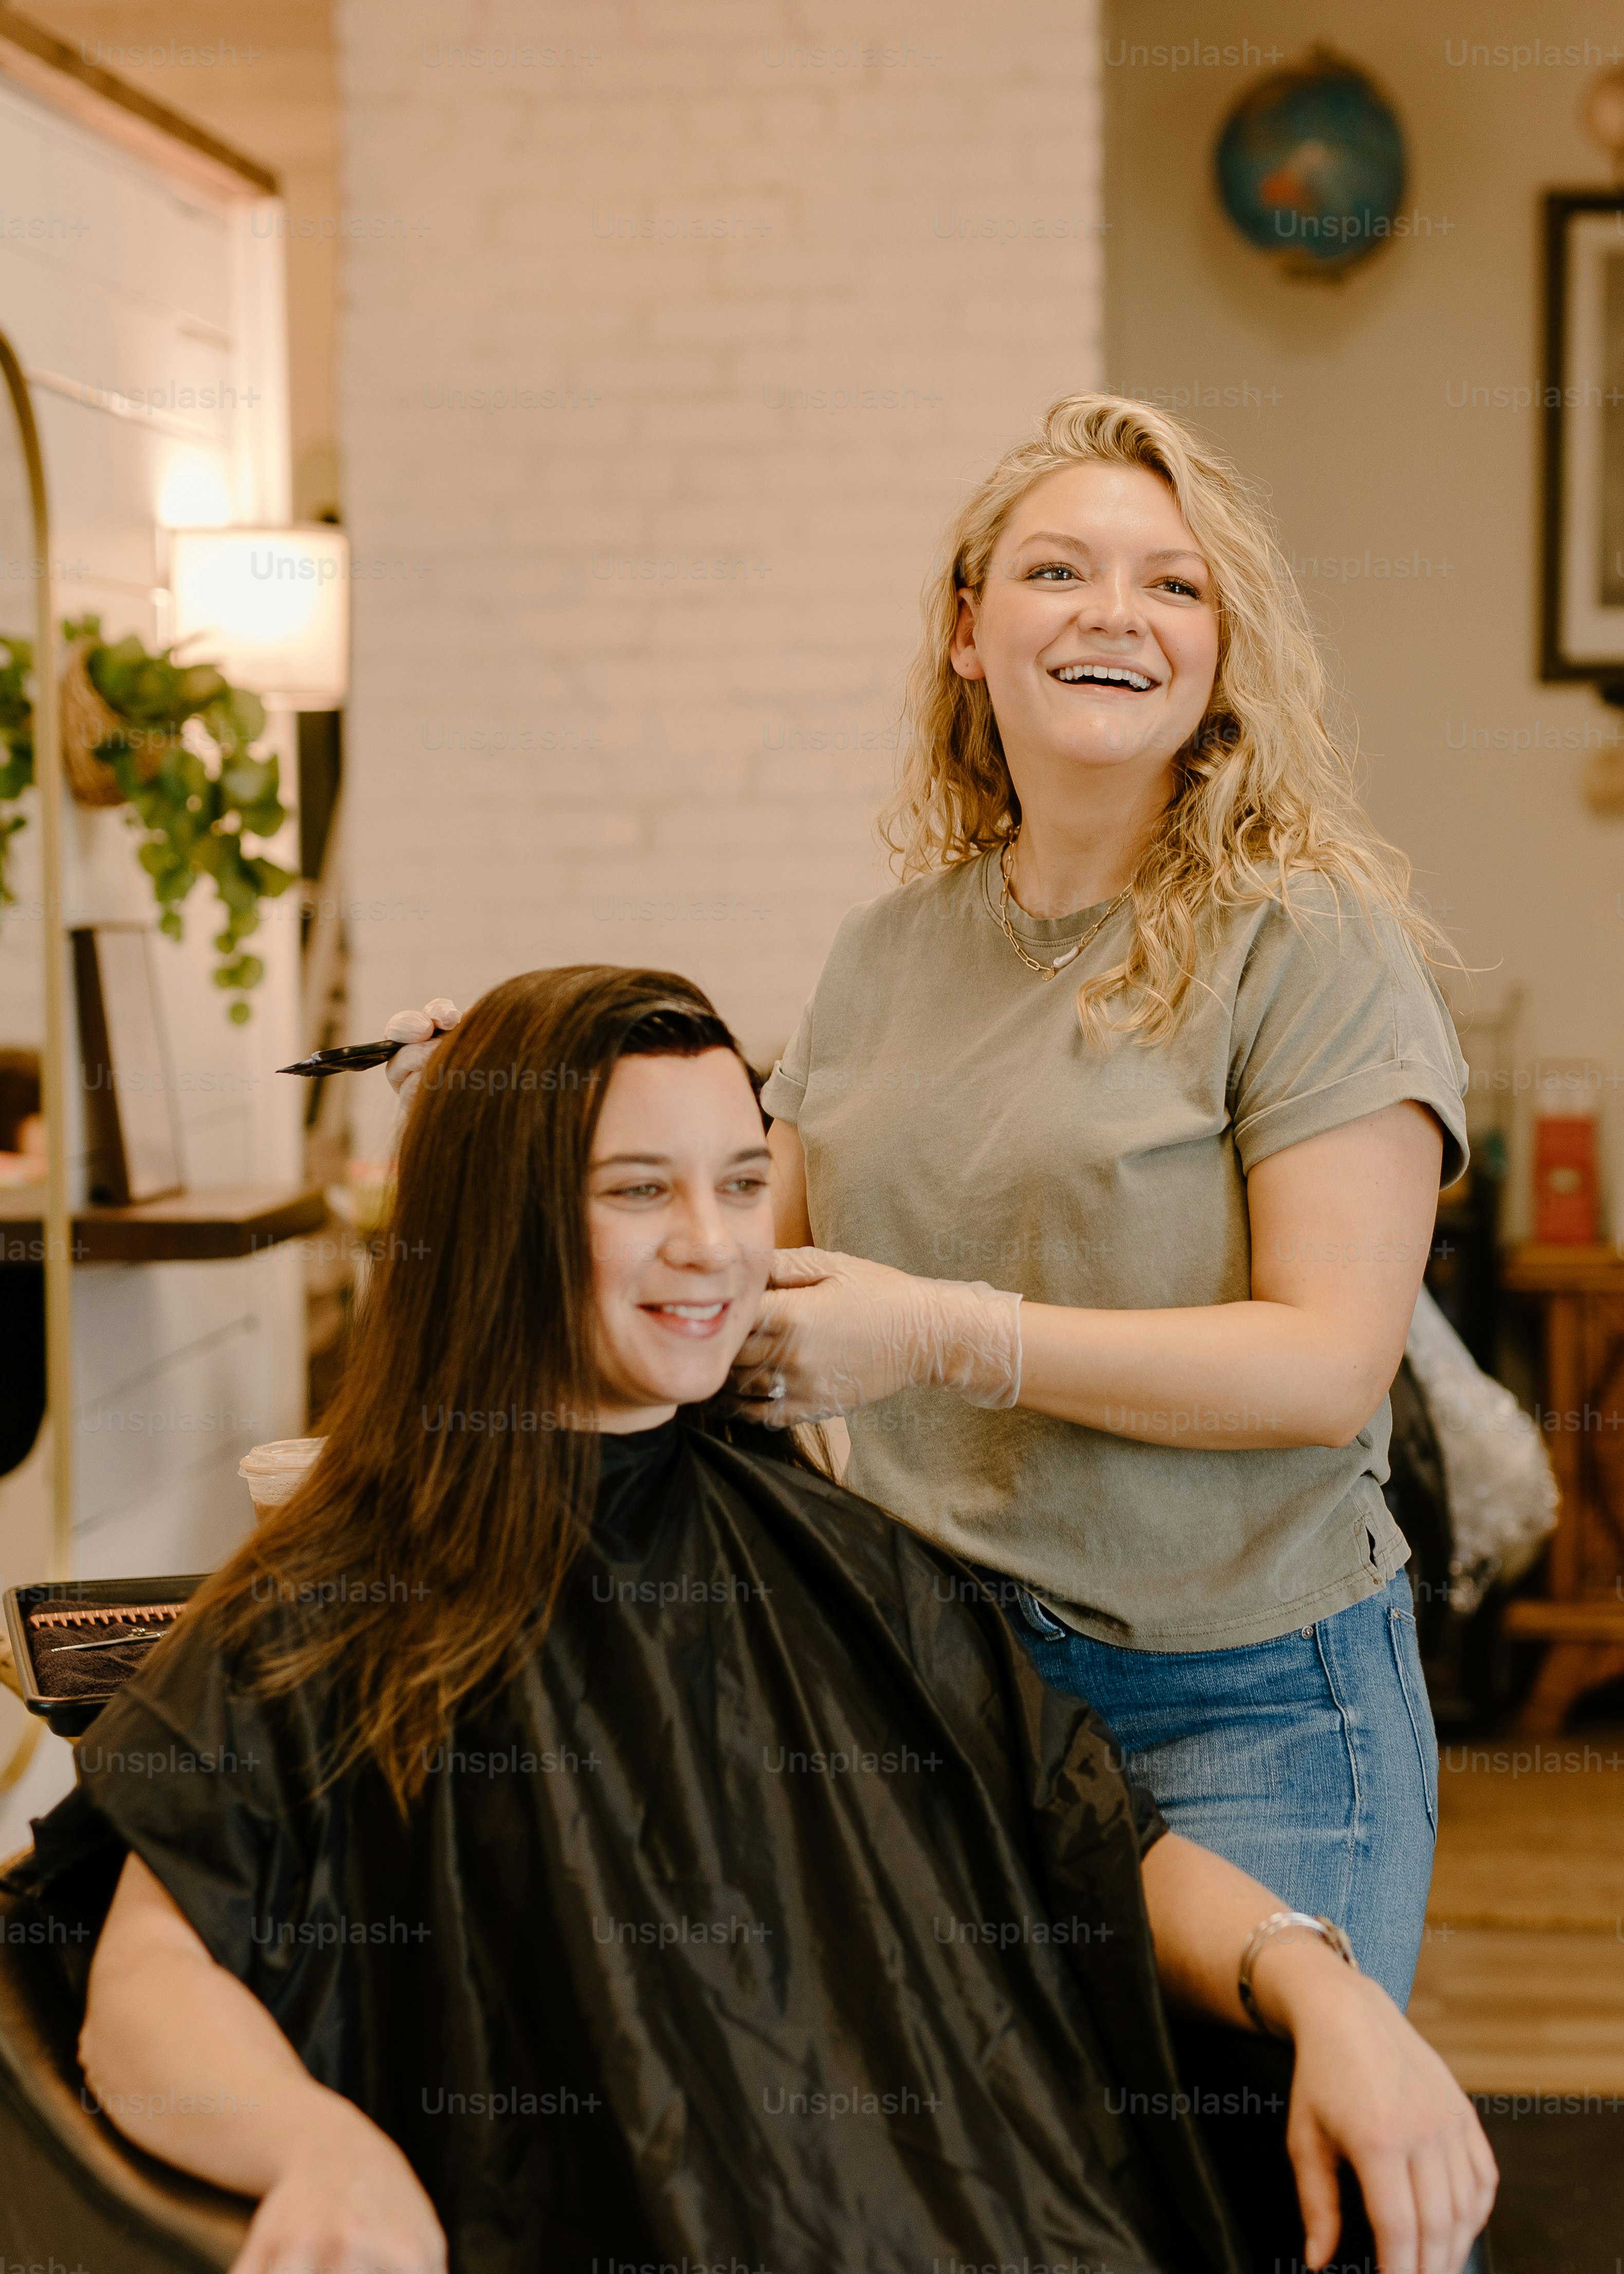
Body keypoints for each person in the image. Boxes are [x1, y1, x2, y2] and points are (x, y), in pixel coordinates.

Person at [11, 967, 1492, 2274]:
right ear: (499, 1218)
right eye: (640, 1189)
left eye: (739, 1182)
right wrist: (317, 2153)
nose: (716, 1244)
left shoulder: (827, 1551)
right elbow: (143, 1993)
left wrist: (1324, 1987)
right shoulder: (339, 1595)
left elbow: (1102, 1839)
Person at [385, 396, 1465, 2014]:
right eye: (1058, 572)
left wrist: (950, 1336)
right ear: (971, 633)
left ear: (1222, 654)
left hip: (1252, 1707)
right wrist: (551, 1097)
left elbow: (1327, 1367)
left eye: (1174, 586)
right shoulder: (889, 952)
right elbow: (745, 1258)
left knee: (1260, 2191)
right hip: (938, 1682)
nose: (1117, 614)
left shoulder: (1307, 941)